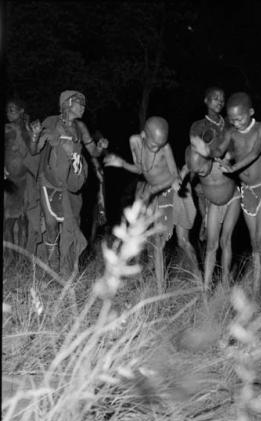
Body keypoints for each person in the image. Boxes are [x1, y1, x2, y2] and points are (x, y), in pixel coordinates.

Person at [192, 92, 261, 297]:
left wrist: (234, 168)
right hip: (247, 192)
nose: (236, 123)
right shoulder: (231, 132)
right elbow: (219, 150)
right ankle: (259, 289)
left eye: (239, 118)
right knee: (254, 243)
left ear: (251, 112)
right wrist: (205, 148)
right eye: (231, 120)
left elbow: (255, 152)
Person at [103, 116, 199, 287]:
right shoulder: (135, 142)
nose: (157, 148)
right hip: (154, 193)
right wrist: (122, 163)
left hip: (172, 192)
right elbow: (140, 168)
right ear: (143, 135)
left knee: (182, 241)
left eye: (161, 145)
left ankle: (200, 281)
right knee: (157, 244)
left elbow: (173, 175)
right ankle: (160, 290)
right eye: (154, 144)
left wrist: (169, 184)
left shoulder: (165, 148)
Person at [29, 90, 109, 275]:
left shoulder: (81, 128)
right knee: (50, 225)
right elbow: (34, 151)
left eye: (83, 103)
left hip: (72, 185)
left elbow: (93, 153)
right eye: (79, 103)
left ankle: (65, 273)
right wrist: (34, 136)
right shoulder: (51, 122)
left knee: (69, 227)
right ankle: (51, 267)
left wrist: (100, 147)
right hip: (49, 183)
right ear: (67, 104)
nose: (83, 107)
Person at [189, 87, 227, 243]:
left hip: (227, 181)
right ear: (206, 100)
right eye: (215, 98)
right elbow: (194, 155)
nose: (220, 101)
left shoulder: (229, 125)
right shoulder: (198, 126)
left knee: (224, 232)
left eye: (222, 99)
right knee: (209, 230)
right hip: (206, 182)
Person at [4, 98, 41, 255]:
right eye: (7, 110)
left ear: (21, 111)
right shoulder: (6, 129)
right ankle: (11, 258)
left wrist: (33, 134)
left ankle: (23, 259)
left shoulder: (28, 129)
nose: (8, 112)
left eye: (12, 109)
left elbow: (33, 152)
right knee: (8, 222)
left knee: (24, 221)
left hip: (27, 181)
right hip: (10, 181)